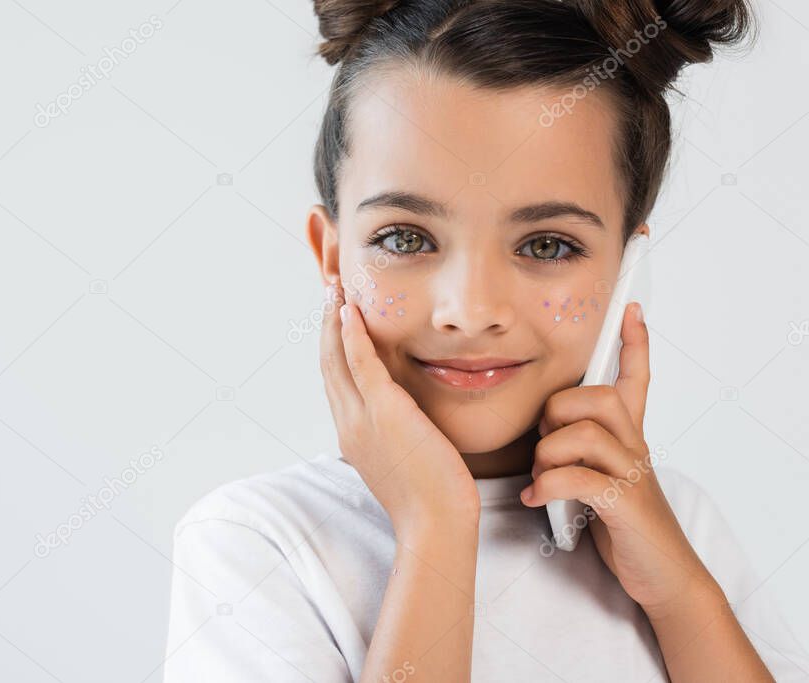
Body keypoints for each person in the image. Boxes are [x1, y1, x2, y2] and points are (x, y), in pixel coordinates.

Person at [164, 0, 809, 679]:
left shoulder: (676, 527)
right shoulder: (258, 544)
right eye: (405, 238)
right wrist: (434, 529)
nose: (470, 311)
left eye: (547, 244)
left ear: (627, 271)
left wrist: (681, 597)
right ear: (332, 258)